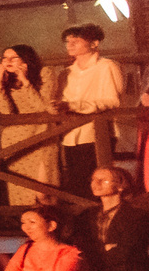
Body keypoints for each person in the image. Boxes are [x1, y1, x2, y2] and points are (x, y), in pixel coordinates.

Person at [51, 23, 133, 195]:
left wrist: (74, 106)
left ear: (94, 43)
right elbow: (60, 101)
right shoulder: (65, 73)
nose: (70, 44)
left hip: (96, 134)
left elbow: (112, 101)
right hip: (70, 135)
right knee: (76, 184)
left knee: (97, 183)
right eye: (67, 41)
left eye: (76, 40)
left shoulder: (107, 66)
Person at [0, 44, 55, 207]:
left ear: (26, 59)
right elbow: (6, 112)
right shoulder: (5, 79)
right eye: (4, 58)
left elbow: (42, 107)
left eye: (13, 58)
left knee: (43, 191)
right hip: (14, 140)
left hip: (40, 137)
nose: (8, 61)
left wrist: (25, 81)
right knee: (21, 193)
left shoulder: (45, 73)